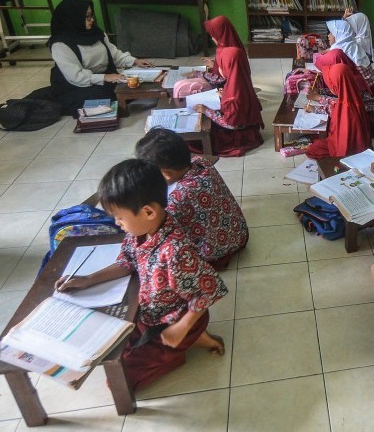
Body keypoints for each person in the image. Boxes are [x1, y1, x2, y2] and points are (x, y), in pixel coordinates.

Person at [54, 159, 227, 390]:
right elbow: (127, 262)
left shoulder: (176, 252)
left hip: (172, 323)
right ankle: (195, 340)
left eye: (120, 217)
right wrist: (88, 280)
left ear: (148, 212)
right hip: (150, 313)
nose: (117, 223)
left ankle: (190, 340)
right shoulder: (140, 231)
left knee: (119, 381)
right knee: (108, 346)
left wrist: (182, 327)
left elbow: (208, 290)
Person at [135, 128, 248, 270]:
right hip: (240, 233)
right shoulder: (201, 162)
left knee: (160, 251)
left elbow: (161, 228)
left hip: (218, 252)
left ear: (167, 174)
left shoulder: (179, 197)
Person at [48, 0, 153, 115]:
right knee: (102, 96)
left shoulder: (96, 33)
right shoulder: (60, 44)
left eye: (91, 15)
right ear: (73, 18)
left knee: (133, 82)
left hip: (104, 78)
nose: (92, 20)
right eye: (87, 17)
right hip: (76, 85)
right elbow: (76, 77)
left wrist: (135, 61)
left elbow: (114, 55)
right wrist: (105, 77)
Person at [192, 46, 264, 157]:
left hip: (238, 135)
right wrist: (224, 94)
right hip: (249, 128)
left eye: (220, 66)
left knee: (194, 142)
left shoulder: (234, 96)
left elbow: (231, 124)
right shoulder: (239, 76)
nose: (217, 69)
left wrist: (207, 110)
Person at [308, 48, 374, 138]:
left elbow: (343, 107)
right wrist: (321, 92)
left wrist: (319, 101)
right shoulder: (346, 74)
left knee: (318, 146)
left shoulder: (352, 81)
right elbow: (341, 95)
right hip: (353, 123)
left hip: (360, 129)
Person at [306, 63, 372, 160]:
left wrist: (315, 109)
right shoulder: (353, 94)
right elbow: (334, 106)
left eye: (331, 84)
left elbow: (333, 109)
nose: (330, 87)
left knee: (312, 149)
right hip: (360, 143)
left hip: (347, 150)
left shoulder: (345, 107)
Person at [326, 19, 374, 99]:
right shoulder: (351, 43)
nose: (328, 36)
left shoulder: (338, 51)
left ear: (339, 34)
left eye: (331, 33)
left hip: (363, 89)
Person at [199, 15, 245, 87]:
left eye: (213, 35)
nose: (212, 38)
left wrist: (199, 74)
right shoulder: (234, 43)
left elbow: (221, 80)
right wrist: (215, 64)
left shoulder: (228, 53)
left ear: (220, 35)